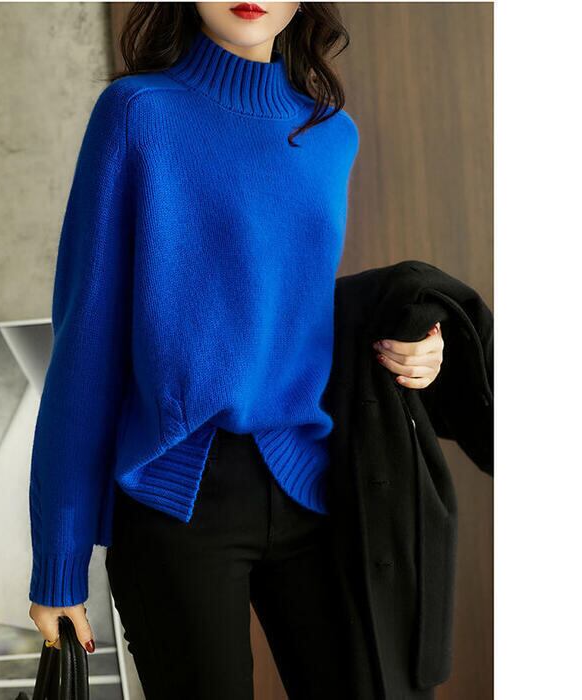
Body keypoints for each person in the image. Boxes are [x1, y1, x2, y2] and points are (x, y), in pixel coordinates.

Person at [28, 3, 445, 698]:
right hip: (178, 500)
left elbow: (292, 306)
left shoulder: (332, 134)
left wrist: (415, 348)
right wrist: (59, 566)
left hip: (310, 482)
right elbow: (86, 345)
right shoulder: (137, 114)